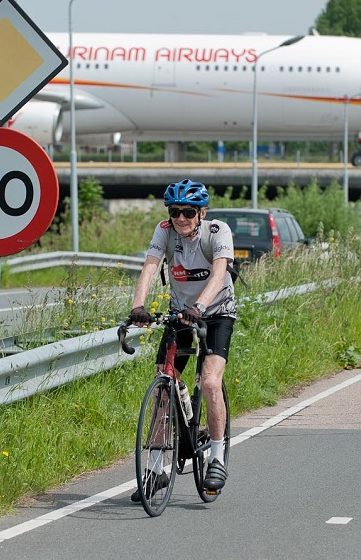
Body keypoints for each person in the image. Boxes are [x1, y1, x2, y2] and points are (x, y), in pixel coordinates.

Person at [129, 178, 236, 501]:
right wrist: (138, 306)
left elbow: (219, 273)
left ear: (201, 213)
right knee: (164, 383)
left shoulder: (217, 232)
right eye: (175, 211)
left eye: (188, 212)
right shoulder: (165, 231)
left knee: (210, 383)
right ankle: (158, 470)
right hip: (179, 314)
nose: (181, 218)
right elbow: (150, 266)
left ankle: (216, 458)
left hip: (216, 312)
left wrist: (200, 306)